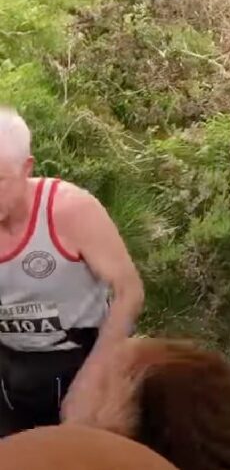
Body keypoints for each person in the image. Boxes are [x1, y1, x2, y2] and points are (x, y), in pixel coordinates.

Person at [0, 107, 145, 436]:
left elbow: (129, 291)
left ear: (26, 169)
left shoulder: (69, 210)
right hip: (8, 362)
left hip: (78, 357)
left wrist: (94, 377)